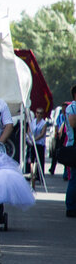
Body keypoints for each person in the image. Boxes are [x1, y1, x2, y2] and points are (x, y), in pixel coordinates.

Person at [61, 86, 76, 217]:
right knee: (74, 178)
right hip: (74, 146)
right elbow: (73, 123)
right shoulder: (72, 107)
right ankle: (71, 207)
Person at [26, 107, 47, 184]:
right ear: (35, 113)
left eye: (40, 113)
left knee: (40, 160)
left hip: (39, 144)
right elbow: (29, 130)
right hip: (32, 143)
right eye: (38, 113)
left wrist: (35, 139)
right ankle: (30, 174)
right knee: (31, 159)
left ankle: (40, 177)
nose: (39, 115)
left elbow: (42, 133)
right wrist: (30, 138)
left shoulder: (44, 123)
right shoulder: (32, 122)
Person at [49, 102, 68, 176]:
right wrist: (56, 133)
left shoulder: (68, 116)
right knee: (55, 154)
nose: (64, 109)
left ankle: (65, 172)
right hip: (59, 136)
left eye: (65, 108)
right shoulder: (60, 116)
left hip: (65, 136)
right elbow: (56, 125)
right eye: (63, 108)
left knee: (65, 154)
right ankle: (52, 169)